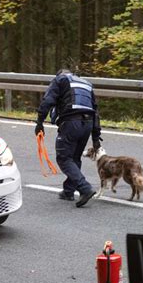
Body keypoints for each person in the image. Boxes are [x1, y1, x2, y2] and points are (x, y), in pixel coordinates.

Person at [35, 69, 101, 208]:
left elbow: (48, 101)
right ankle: (68, 191)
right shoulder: (87, 84)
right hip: (88, 124)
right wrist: (96, 137)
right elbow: (95, 111)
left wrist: (40, 122)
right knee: (75, 158)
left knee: (64, 158)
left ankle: (85, 188)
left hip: (71, 123)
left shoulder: (60, 80)